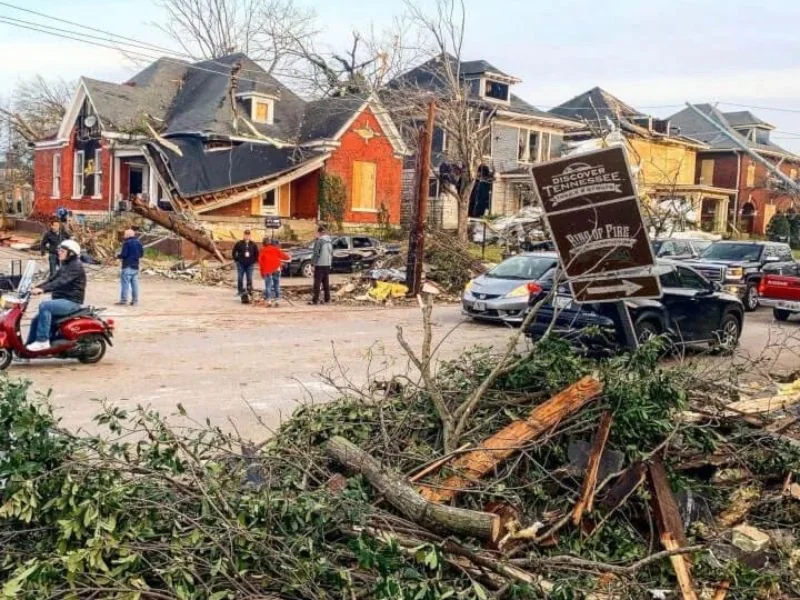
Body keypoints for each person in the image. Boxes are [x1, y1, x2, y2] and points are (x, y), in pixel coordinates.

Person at [26, 240, 86, 352]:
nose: (59, 252)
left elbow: (61, 282)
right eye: (59, 250)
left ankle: (42, 341)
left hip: (71, 301)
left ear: (71, 253)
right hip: (62, 299)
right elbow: (53, 279)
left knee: (45, 306)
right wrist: (36, 287)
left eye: (62, 251)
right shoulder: (66, 264)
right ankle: (27, 350)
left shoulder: (75, 266)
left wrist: (43, 289)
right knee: (36, 319)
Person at [258, 237, 290, 307]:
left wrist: (262, 273)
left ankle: (269, 301)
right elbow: (286, 257)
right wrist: (288, 257)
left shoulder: (262, 250)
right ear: (270, 243)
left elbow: (260, 262)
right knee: (276, 285)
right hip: (276, 268)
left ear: (263, 244)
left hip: (267, 270)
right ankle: (277, 300)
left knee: (268, 286)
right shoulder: (275, 249)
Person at [117, 228, 144, 306]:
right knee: (135, 285)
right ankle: (135, 301)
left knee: (125, 284)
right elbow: (141, 254)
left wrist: (117, 256)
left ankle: (124, 300)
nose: (124, 236)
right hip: (135, 266)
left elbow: (124, 255)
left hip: (127, 266)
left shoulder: (127, 243)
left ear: (128, 235)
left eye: (125, 234)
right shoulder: (139, 243)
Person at [310, 225, 333, 305]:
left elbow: (316, 253)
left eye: (316, 232)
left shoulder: (319, 241)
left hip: (320, 264)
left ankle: (315, 300)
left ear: (319, 233)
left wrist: (313, 264)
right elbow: (331, 253)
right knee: (326, 282)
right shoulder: (329, 241)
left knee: (317, 282)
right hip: (327, 264)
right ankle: (327, 299)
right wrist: (330, 264)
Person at [232, 229, 258, 297]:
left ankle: (249, 291)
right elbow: (234, 252)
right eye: (246, 235)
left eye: (248, 235)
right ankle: (240, 291)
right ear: (243, 235)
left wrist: (254, 261)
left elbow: (256, 253)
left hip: (250, 264)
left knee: (249, 278)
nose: (247, 236)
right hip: (241, 264)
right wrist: (236, 260)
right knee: (240, 278)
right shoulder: (239, 243)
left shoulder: (253, 244)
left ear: (250, 236)